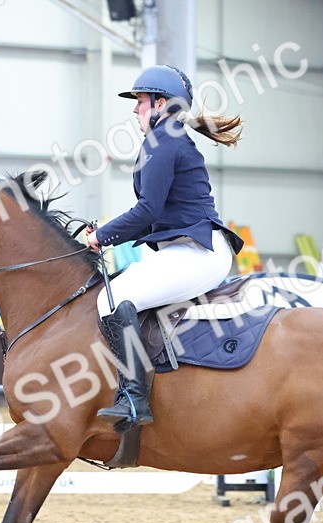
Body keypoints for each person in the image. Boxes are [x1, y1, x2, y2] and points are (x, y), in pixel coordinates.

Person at [86, 64, 245, 432]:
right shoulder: (168, 139)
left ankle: (133, 398)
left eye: (140, 101)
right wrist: (106, 232)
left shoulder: (163, 142)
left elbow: (147, 210)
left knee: (112, 299)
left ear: (159, 103)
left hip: (197, 253)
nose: (135, 109)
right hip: (186, 250)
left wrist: (101, 236)